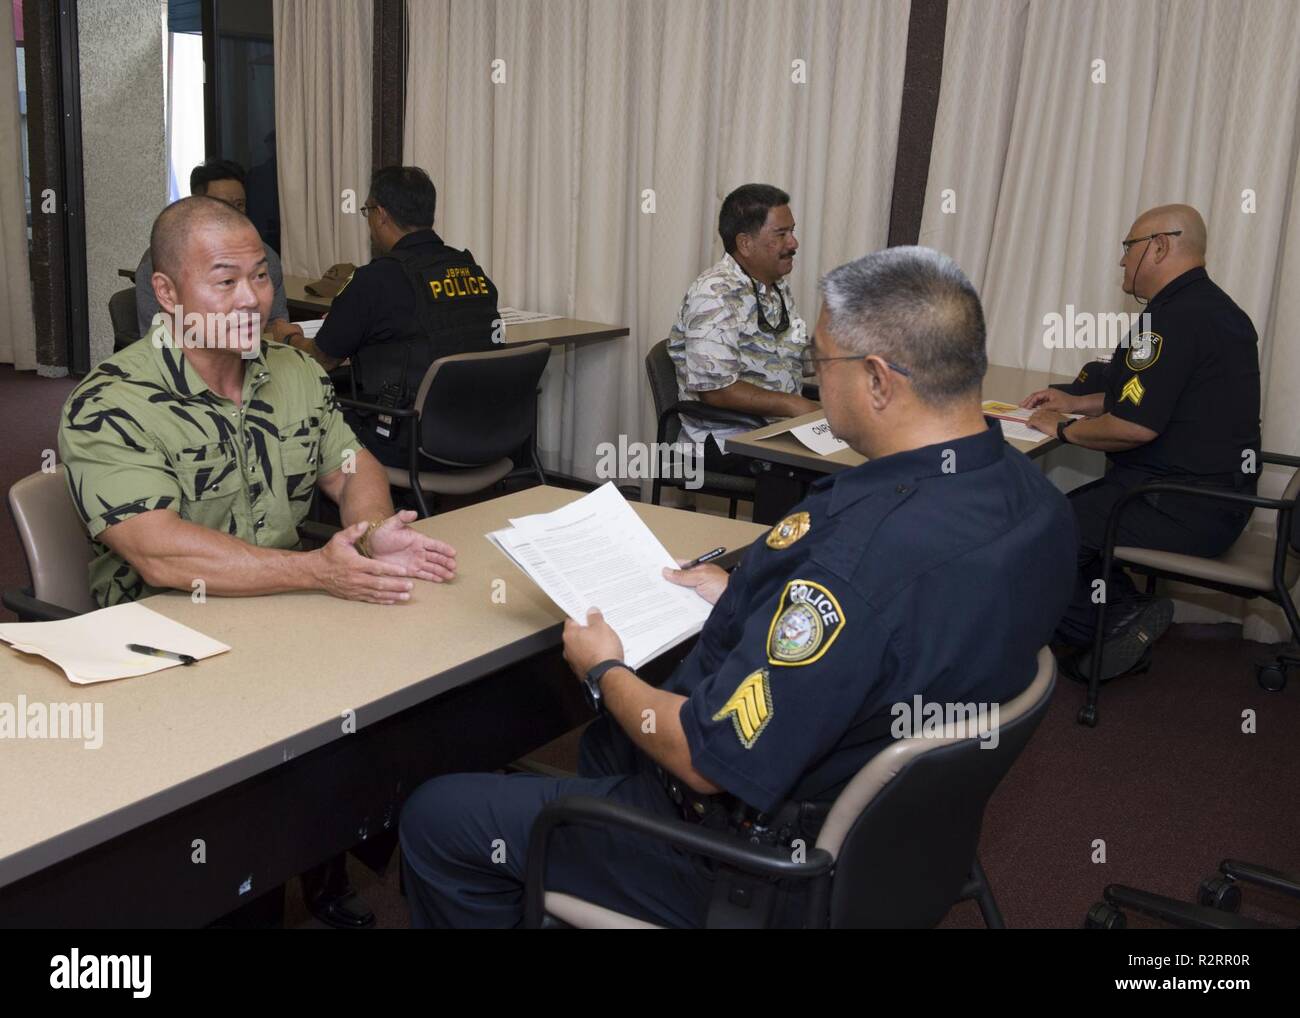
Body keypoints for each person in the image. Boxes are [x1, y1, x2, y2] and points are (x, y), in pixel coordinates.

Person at [398, 247, 1076, 928]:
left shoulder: (858, 562)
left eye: (820, 361)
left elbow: (702, 761)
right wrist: (747, 599)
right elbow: (912, 627)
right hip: (890, 840)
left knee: (438, 819)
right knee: (611, 745)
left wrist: (603, 669)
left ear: (877, 380)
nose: (814, 378)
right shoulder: (1036, 502)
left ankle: (590, 861)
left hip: (750, 866)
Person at [61, 195, 459, 927]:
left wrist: (368, 532)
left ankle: (326, 858)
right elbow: (157, 549)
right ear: (167, 293)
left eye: (261, 277)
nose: (253, 299)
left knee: (409, 699)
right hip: (157, 648)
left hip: (277, 613)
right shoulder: (112, 400)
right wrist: (315, 571)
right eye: (225, 281)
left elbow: (351, 461)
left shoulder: (290, 371)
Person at [1022, 204, 1261, 681]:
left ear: (1160, 245)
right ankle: (1127, 612)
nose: (1121, 262)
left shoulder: (1171, 321)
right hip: (1213, 498)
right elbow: (1149, 395)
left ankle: (1115, 621)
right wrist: (1079, 401)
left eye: (1128, 247)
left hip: (1179, 505)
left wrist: (1060, 428)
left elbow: (1135, 427)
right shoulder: (1209, 310)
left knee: (1041, 535)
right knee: (1063, 515)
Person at [288, 166, 501, 468]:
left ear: (381, 214)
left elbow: (321, 360)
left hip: (407, 439)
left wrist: (289, 335)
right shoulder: (471, 269)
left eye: (367, 212)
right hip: (486, 432)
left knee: (306, 412)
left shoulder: (375, 280)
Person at [666, 183, 818, 474]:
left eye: (793, 231)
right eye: (782, 234)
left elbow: (797, 358)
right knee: (832, 477)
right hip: (727, 441)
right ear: (746, 244)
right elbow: (716, 392)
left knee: (862, 447)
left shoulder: (776, 288)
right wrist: (796, 407)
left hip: (775, 428)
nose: (794, 243)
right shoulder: (714, 294)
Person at [135, 160, 300, 346]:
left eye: (239, 205)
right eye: (221, 206)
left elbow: (275, 323)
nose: (233, 214)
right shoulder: (159, 261)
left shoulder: (266, 257)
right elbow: (157, 338)